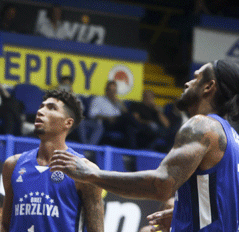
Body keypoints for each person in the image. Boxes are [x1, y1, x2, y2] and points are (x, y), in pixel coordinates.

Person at [51, 60, 239, 232]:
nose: (187, 83)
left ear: (208, 86)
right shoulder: (233, 139)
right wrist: (188, 213)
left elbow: (162, 185)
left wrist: (92, 174)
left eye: (196, 78)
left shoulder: (202, 125)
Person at [1, 89, 104, 232]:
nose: (40, 111)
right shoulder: (13, 165)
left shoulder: (86, 170)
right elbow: (5, 226)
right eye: (41, 106)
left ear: (67, 123)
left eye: (51, 108)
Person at [80, 80, 136, 148]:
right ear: (106, 90)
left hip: (117, 123)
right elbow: (92, 114)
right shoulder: (99, 99)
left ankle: (131, 151)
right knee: (128, 117)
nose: (112, 93)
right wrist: (107, 118)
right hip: (105, 122)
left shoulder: (117, 102)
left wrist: (119, 103)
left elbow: (125, 113)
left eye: (114, 91)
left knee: (130, 126)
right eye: (110, 90)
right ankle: (140, 126)